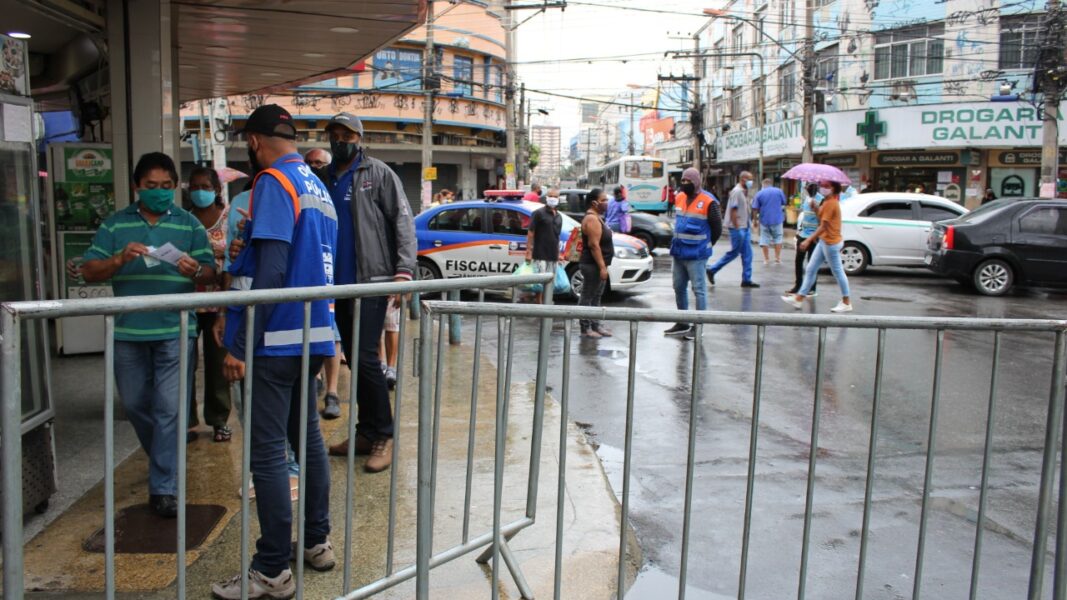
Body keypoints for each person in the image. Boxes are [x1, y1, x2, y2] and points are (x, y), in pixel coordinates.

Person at [213, 104, 339, 599]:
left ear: (253, 142)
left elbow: (270, 271)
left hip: (276, 336)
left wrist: (240, 344)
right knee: (306, 440)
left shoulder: (272, 182)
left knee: (267, 453)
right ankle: (315, 542)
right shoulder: (318, 186)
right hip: (313, 333)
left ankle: (270, 570)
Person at [81, 152, 216, 518]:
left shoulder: (189, 225)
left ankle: (163, 487)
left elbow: (210, 272)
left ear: (175, 187)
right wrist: (118, 261)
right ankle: (164, 460)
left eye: (167, 187)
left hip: (176, 329)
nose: (160, 193)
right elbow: (89, 270)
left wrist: (195, 270)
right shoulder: (114, 225)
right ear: (137, 187)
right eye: (152, 187)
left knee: (169, 409)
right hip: (128, 332)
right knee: (138, 405)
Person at [321, 112, 417, 474]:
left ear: (359, 138)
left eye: (347, 134)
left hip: (373, 282)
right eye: (335, 133)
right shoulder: (324, 178)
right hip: (338, 285)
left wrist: (404, 271)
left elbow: (403, 221)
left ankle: (384, 435)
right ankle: (366, 432)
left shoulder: (377, 174)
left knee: (363, 358)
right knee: (354, 358)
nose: (340, 139)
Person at [187, 166, 232, 443]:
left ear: (216, 189)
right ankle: (188, 421)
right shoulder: (185, 220)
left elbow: (236, 255)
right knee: (186, 362)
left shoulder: (228, 218)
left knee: (218, 364)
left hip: (220, 301)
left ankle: (219, 420)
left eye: (204, 186)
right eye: (193, 186)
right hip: (189, 301)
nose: (199, 191)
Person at [303, 151, 344, 421]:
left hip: (334, 278)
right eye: (312, 163)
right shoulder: (301, 195)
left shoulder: (336, 196)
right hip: (306, 278)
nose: (316, 167)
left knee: (332, 335)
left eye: (321, 164)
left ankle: (332, 392)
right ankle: (315, 381)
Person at [664, 167, 722, 340]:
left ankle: (698, 327)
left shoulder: (709, 201)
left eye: (688, 181)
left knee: (699, 290)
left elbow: (717, 228)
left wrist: (706, 245)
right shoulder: (680, 197)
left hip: (697, 254)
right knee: (678, 287)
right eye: (682, 181)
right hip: (679, 252)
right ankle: (683, 321)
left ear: (696, 182)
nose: (684, 184)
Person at [781, 180, 853, 313]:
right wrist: (815, 208)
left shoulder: (831, 203)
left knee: (837, 272)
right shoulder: (826, 201)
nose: (823, 188)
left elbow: (824, 225)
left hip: (830, 242)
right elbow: (822, 215)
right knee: (810, 268)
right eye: (822, 186)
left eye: (827, 186)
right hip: (824, 241)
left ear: (834, 188)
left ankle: (846, 301)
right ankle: (799, 298)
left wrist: (808, 240)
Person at [706, 171, 759, 288]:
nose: (751, 182)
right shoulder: (737, 192)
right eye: (750, 179)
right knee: (734, 253)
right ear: (743, 179)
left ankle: (746, 279)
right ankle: (712, 269)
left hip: (744, 227)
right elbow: (733, 210)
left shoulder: (744, 192)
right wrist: (737, 227)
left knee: (748, 254)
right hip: (738, 228)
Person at [578, 188, 613, 338]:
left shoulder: (597, 217)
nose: (606, 202)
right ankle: (585, 328)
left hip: (598, 265)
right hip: (592, 265)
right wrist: (602, 267)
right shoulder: (591, 219)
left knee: (596, 296)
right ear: (594, 202)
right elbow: (594, 245)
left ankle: (595, 325)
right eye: (603, 200)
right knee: (588, 295)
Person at [526, 187, 563, 304]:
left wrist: (558, 254)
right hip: (540, 253)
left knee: (550, 281)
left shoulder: (559, 216)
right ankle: (539, 305)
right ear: (546, 198)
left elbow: (557, 237)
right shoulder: (538, 213)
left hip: (552, 255)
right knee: (539, 283)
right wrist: (528, 251)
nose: (553, 198)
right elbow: (531, 232)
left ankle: (547, 303)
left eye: (555, 196)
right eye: (551, 196)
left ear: (559, 199)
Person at [787, 183, 821, 296]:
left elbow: (822, 219)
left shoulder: (821, 200)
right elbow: (804, 215)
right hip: (803, 234)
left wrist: (816, 209)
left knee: (812, 263)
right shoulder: (806, 199)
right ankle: (798, 285)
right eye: (808, 187)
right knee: (798, 261)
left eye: (812, 187)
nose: (809, 189)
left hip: (814, 236)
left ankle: (812, 288)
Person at [751, 178, 787, 265]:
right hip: (777, 219)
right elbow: (784, 202)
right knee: (778, 238)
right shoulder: (779, 191)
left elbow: (755, 208)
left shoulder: (759, 193)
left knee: (764, 238)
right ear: (771, 183)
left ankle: (766, 259)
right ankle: (777, 258)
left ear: (763, 185)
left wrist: (755, 221)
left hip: (764, 220)